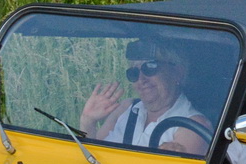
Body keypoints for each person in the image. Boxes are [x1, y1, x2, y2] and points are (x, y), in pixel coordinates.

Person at [78, 40, 211, 156]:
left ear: (177, 72)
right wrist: (88, 122)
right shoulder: (126, 108)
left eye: (150, 67)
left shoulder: (192, 125)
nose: (141, 79)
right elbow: (92, 158)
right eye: (134, 72)